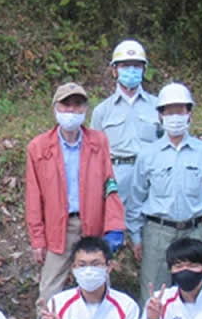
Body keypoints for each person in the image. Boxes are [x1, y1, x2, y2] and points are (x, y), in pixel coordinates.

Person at [126, 82, 202, 305]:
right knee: (154, 294)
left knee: (194, 292)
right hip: (157, 232)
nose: (175, 117)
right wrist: (136, 236)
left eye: (180, 111)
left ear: (189, 114)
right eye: (169, 111)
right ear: (161, 115)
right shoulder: (148, 154)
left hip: (193, 231)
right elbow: (136, 197)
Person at [25, 82, 126, 303]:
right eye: (66, 105)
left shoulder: (99, 142)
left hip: (93, 223)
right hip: (58, 228)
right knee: (49, 292)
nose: (71, 111)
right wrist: (37, 238)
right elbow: (33, 197)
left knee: (99, 287)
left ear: (85, 110)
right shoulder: (39, 147)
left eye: (77, 105)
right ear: (55, 108)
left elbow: (110, 185)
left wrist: (114, 226)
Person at [89, 39, 161, 209]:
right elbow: (93, 154)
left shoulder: (158, 106)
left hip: (150, 177)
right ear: (114, 70)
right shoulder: (102, 111)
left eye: (136, 66)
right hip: (116, 176)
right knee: (115, 229)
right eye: (125, 66)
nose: (131, 70)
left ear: (144, 70)